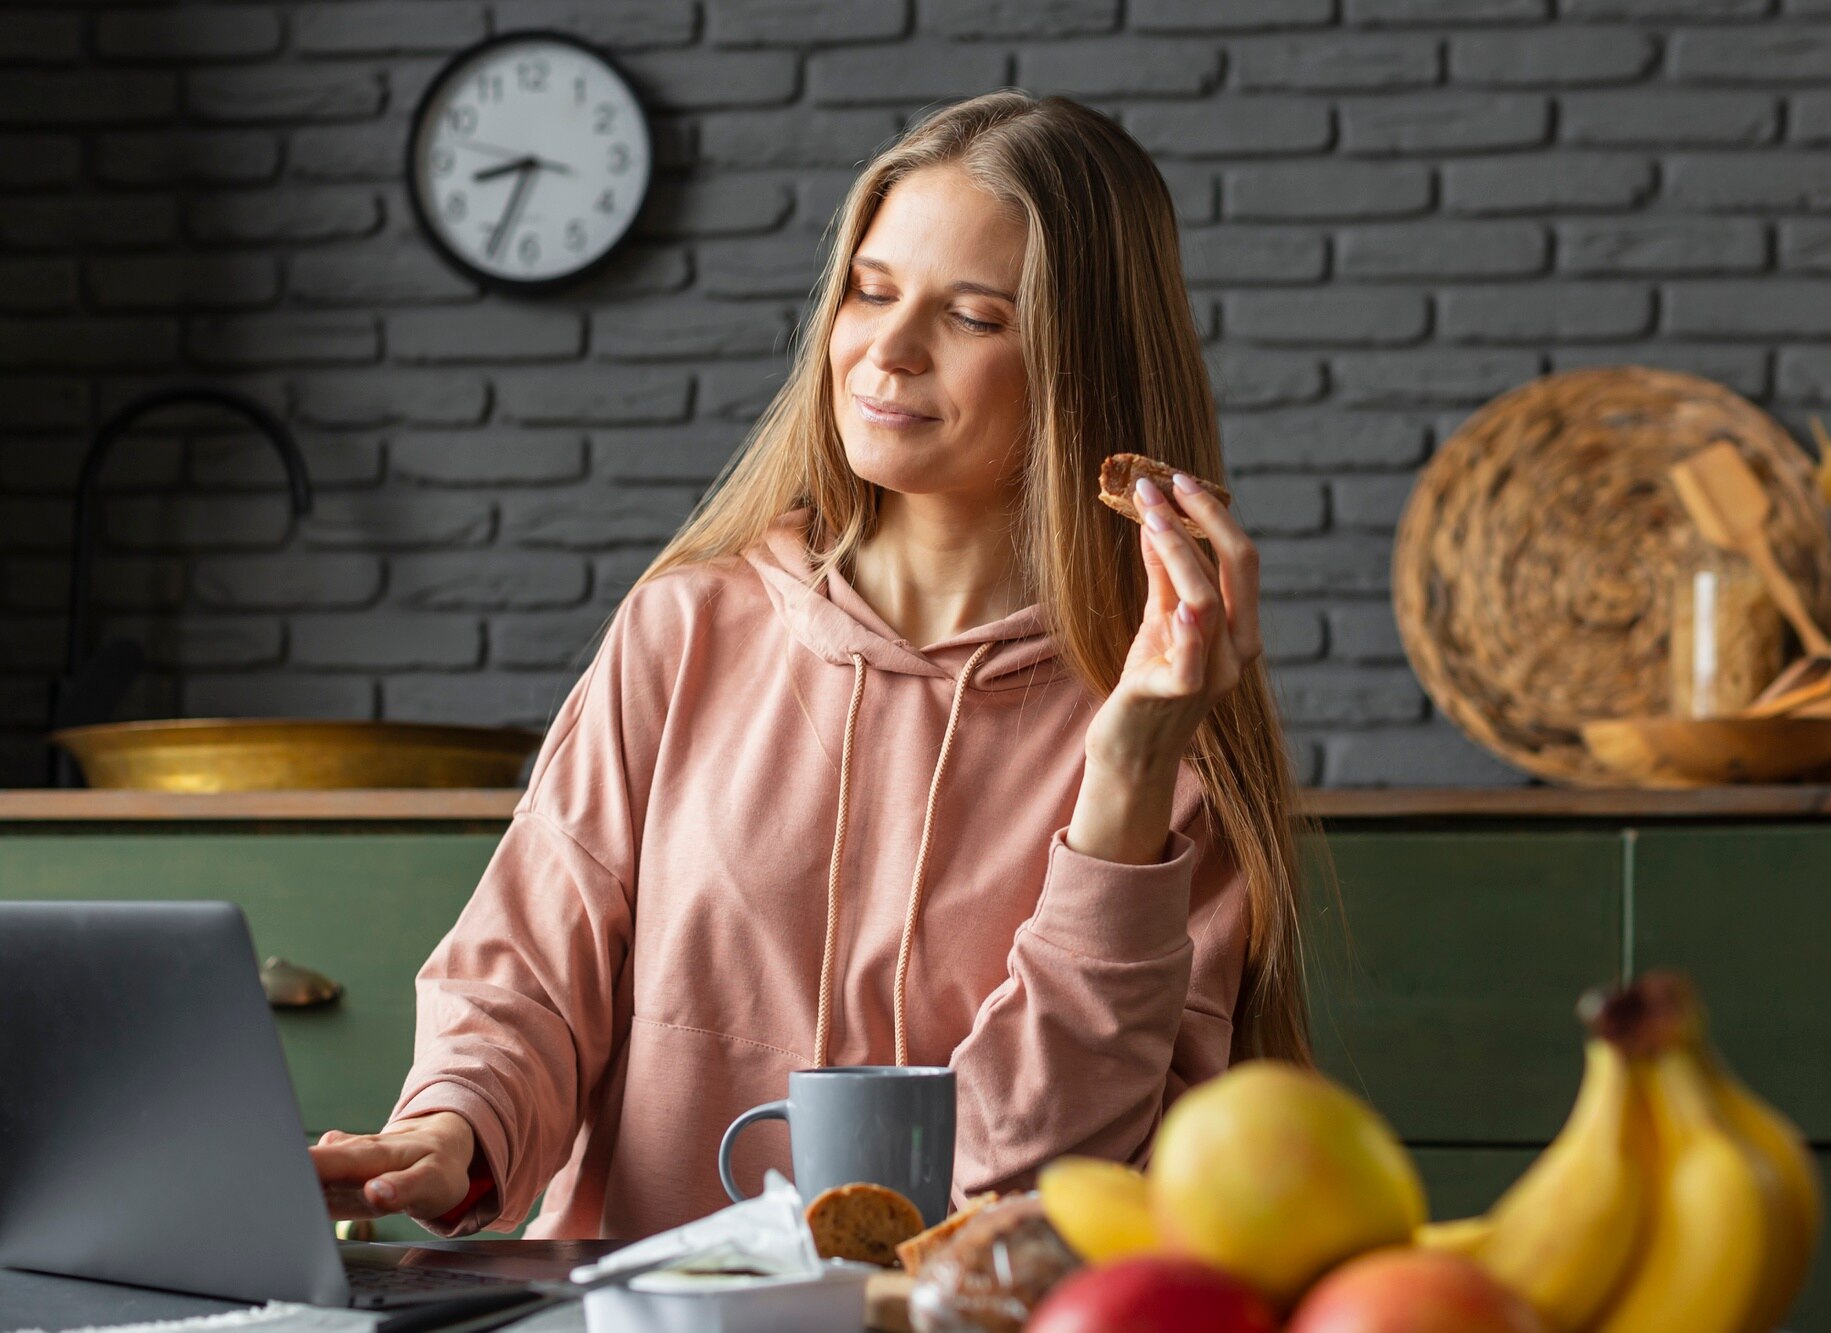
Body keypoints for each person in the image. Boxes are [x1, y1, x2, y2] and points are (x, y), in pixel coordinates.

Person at [311, 90, 1315, 1240]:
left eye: (973, 316)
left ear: (1078, 363)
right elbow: (527, 979)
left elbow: (1048, 1179)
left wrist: (1126, 781)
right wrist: (450, 1129)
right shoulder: (681, 630)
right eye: (870, 291)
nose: (885, 350)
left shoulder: (1168, 723)